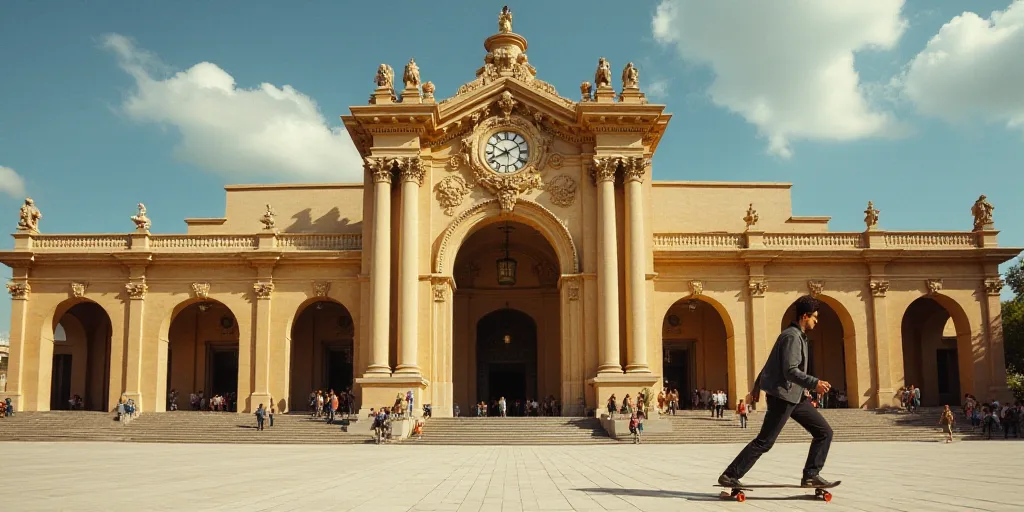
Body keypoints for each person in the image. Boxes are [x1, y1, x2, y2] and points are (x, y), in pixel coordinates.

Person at [718, 295, 835, 489]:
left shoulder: (796, 336)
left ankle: (811, 475)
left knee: (824, 432)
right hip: (783, 396)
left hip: (796, 397)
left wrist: (757, 386)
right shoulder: (792, 337)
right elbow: (790, 370)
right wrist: (814, 383)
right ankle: (730, 475)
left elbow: (770, 364)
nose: (816, 321)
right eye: (814, 317)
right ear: (805, 316)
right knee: (765, 441)